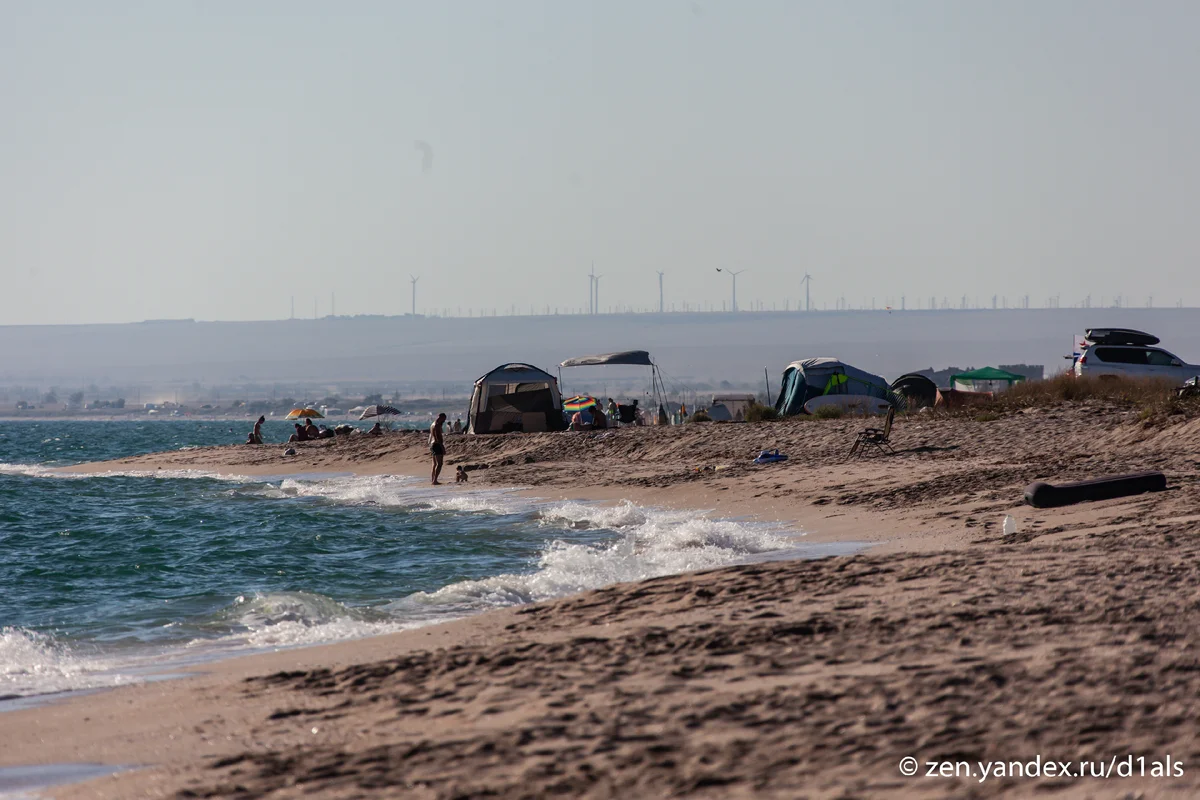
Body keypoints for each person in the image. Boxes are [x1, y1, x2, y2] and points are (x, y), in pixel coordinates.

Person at [429, 412, 447, 485]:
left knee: (434, 464)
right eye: (444, 419)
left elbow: (431, 436)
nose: (444, 421)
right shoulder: (437, 425)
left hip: (432, 444)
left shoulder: (432, 424)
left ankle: (433, 479)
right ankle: (435, 480)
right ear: (441, 418)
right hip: (437, 445)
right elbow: (438, 438)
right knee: (439, 464)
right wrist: (443, 448)